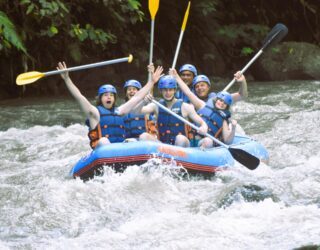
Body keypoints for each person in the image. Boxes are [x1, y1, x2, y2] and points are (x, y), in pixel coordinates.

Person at [57, 62, 163, 149]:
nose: (109, 97)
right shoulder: (94, 113)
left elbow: (137, 97)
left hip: (121, 149)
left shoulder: (120, 111)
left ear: (114, 98)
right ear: (100, 98)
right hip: (103, 150)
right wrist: (67, 79)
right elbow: (79, 96)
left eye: (111, 95)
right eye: (106, 95)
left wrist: (151, 82)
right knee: (104, 141)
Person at [170, 68, 237, 148]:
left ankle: (198, 158)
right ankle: (176, 158)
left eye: (224, 103)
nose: (221, 103)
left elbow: (227, 141)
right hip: (191, 140)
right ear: (216, 100)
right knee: (180, 138)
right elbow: (188, 93)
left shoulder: (224, 120)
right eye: (220, 100)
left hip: (204, 144)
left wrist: (233, 128)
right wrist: (176, 76)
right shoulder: (202, 105)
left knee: (208, 141)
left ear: (227, 106)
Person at [137, 74, 208, 147]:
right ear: (161, 91)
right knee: (144, 136)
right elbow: (137, 111)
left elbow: (202, 123)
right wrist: (143, 102)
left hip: (183, 146)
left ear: (174, 90)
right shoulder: (156, 106)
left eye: (170, 90)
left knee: (180, 138)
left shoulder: (185, 107)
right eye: (165, 90)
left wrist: (204, 127)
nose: (168, 93)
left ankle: (176, 157)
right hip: (163, 146)